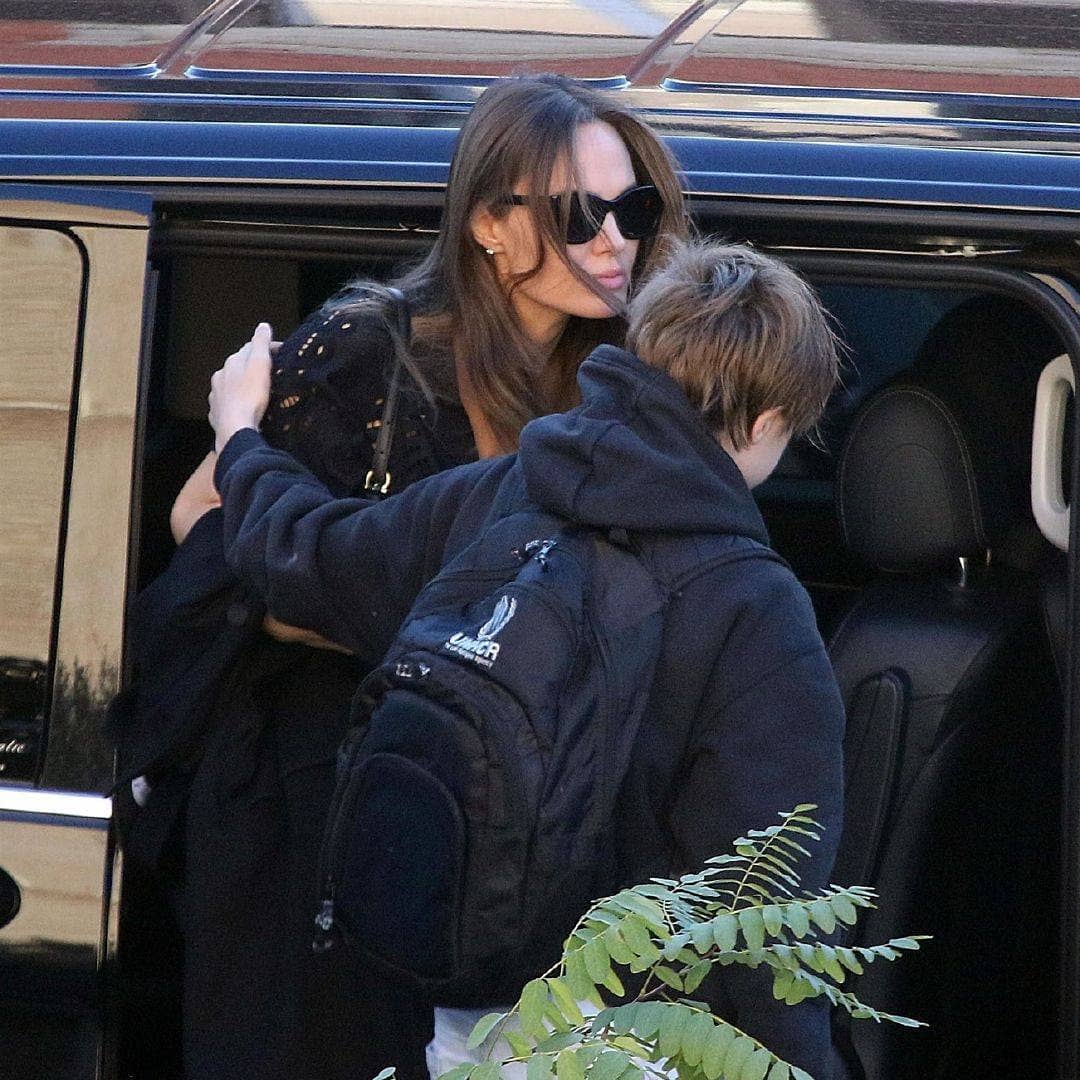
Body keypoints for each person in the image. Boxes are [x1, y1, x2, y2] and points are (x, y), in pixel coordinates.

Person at [110, 72, 688, 1080]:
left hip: (489, 820)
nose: (615, 239)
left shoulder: (607, 378)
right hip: (319, 809)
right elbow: (201, 518)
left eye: (632, 208)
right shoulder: (373, 350)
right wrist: (416, 625)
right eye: (580, 214)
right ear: (491, 229)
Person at [204, 238, 851, 1079]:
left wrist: (239, 437)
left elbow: (306, 557)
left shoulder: (505, 491)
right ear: (768, 423)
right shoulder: (754, 608)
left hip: (472, 1018)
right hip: (639, 1042)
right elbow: (764, 914)